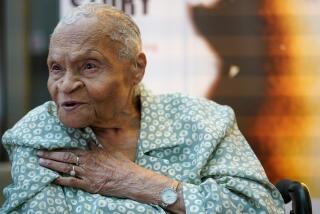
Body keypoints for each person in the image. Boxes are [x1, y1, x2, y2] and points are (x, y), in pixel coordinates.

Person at [1, 3, 284, 213]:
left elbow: (259, 207)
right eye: (56, 68)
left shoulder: (204, 122)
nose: (65, 85)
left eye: (89, 66)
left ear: (137, 69)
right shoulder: (38, 136)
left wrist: (138, 182)